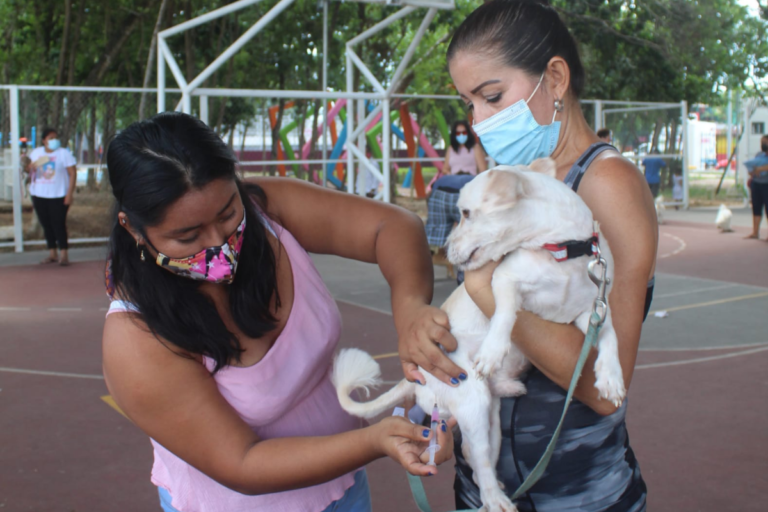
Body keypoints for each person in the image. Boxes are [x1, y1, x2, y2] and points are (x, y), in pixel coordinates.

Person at [102, 112, 458, 512]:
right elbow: (242, 464)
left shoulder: (265, 208)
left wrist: (410, 310)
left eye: (227, 214)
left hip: (342, 486)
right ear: (133, 228)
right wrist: (374, 441)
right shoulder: (136, 338)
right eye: (188, 236)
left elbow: (391, 226)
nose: (221, 244)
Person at [408, 1, 656, 510]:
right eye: (469, 104)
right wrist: (429, 342)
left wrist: (486, 289)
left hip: (576, 496)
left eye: (492, 97)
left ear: (555, 79)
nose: (478, 122)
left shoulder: (606, 185)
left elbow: (604, 387)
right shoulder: (515, 178)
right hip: (487, 490)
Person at [26, 127, 76, 265]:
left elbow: (72, 173)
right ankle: (52, 253)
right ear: (44, 140)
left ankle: (64, 254)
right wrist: (27, 167)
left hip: (59, 195)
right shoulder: (36, 153)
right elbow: (29, 170)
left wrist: (69, 194)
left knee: (58, 224)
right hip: (39, 195)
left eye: (55, 138)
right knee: (46, 224)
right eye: (51, 138)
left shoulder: (64, 153)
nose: (54, 140)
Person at [425, 173, 477, 283]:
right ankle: (463, 278)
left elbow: (429, 194)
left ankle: (420, 272)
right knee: (468, 235)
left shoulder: (444, 178)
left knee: (431, 239)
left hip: (439, 195)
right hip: (462, 196)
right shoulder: (474, 179)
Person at [743, 134, 768, 240]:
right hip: (756, 183)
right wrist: (752, 171)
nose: (763, 144)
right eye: (762, 142)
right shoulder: (759, 154)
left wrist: (760, 169)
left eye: (765, 142)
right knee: (756, 208)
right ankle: (755, 232)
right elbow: (753, 167)